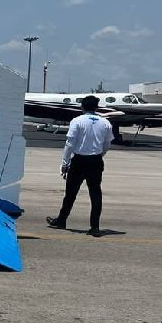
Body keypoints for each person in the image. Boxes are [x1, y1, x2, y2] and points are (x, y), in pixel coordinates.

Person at [46, 95, 113, 237]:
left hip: (79, 160)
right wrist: (100, 155)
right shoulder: (105, 122)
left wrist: (65, 163)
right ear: (97, 107)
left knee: (70, 193)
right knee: (95, 193)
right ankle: (95, 227)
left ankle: (62, 220)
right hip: (95, 161)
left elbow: (69, 143)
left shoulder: (77, 121)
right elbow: (107, 144)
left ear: (82, 106)